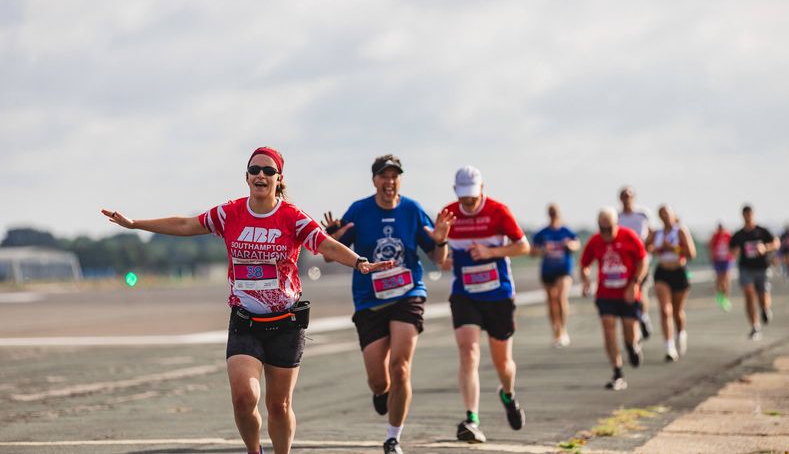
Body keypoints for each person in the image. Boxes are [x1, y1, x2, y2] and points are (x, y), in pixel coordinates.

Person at [101, 147, 392, 454]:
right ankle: (254, 451)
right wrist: (135, 224)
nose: (261, 175)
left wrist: (359, 262)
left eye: (268, 171)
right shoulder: (230, 213)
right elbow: (186, 225)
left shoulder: (292, 218)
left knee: (278, 406)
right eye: (255, 170)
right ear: (246, 177)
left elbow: (327, 246)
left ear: (279, 179)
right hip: (246, 322)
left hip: (285, 324)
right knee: (243, 398)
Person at [321, 155, 454, 454]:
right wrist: (332, 236)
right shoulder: (359, 210)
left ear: (399, 181)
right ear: (374, 181)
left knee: (401, 367)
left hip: (408, 294)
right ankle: (383, 392)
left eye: (395, 176)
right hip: (369, 300)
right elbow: (330, 254)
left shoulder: (412, 210)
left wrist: (441, 240)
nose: (389, 182)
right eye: (384, 176)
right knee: (378, 379)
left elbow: (438, 259)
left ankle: (393, 437)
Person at [439, 166, 529, 443]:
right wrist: (441, 241)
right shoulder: (448, 214)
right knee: (469, 351)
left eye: (473, 197)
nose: (469, 203)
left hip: (498, 294)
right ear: (456, 192)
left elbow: (523, 246)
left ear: (482, 189)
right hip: (465, 294)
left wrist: (492, 252)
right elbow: (439, 259)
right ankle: (472, 419)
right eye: (464, 197)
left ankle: (508, 394)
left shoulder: (498, 211)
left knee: (503, 363)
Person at [580, 207, 648, 391]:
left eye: (609, 228)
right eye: (602, 229)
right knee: (608, 329)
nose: (606, 233)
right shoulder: (595, 241)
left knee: (628, 330)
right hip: (606, 294)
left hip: (627, 293)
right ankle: (617, 372)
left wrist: (635, 283)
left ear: (616, 224)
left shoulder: (629, 237)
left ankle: (632, 345)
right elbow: (584, 263)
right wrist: (586, 280)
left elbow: (643, 260)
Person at [645, 206, 697, 362]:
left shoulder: (680, 231)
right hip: (662, 272)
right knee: (665, 310)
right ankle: (669, 347)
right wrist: (657, 248)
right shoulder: (657, 233)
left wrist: (673, 248)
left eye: (667, 214)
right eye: (661, 215)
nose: (665, 217)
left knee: (677, 311)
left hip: (679, 272)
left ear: (673, 215)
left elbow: (691, 253)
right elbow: (646, 248)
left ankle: (681, 333)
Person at [531, 203, 580, 347]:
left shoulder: (566, 230)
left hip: (564, 269)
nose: (553, 214)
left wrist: (571, 246)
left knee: (561, 297)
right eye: (551, 212)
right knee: (551, 300)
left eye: (555, 212)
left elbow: (577, 244)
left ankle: (563, 330)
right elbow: (531, 251)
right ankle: (556, 329)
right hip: (548, 270)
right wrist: (542, 250)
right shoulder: (542, 232)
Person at [729, 205, 780, 341]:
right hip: (746, 268)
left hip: (762, 268)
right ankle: (755, 326)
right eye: (745, 215)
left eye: (750, 215)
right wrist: (734, 252)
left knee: (763, 295)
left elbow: (776, 243)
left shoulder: (762, 231)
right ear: (743, 216)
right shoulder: (739, 234)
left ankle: (765, 308)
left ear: (753, 215)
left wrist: (765, 247)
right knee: (749, 294)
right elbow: (731, 248)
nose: (748, 217)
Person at [618, 186, 654, 340]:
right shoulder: (617, 217)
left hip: (641, 260)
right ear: (620, 198)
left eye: (629, 195)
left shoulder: (643, 214)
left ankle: (643, 316)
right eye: (624, 195)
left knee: (640, 290)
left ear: (633, 197)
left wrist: (649, 247)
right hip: (624, 263)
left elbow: (652, 232)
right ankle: (635, 323)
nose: (627, 197)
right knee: (627, 294)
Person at [709, 222, 734, 311]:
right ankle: (720, 295)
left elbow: (733, 246)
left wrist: (733, 255)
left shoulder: (728, 235)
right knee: (719, 279)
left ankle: (726, 298)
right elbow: (710, 246)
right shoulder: (715, 236)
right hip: (717, 260)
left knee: (726, 279)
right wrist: (712, 256)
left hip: (727, 260)